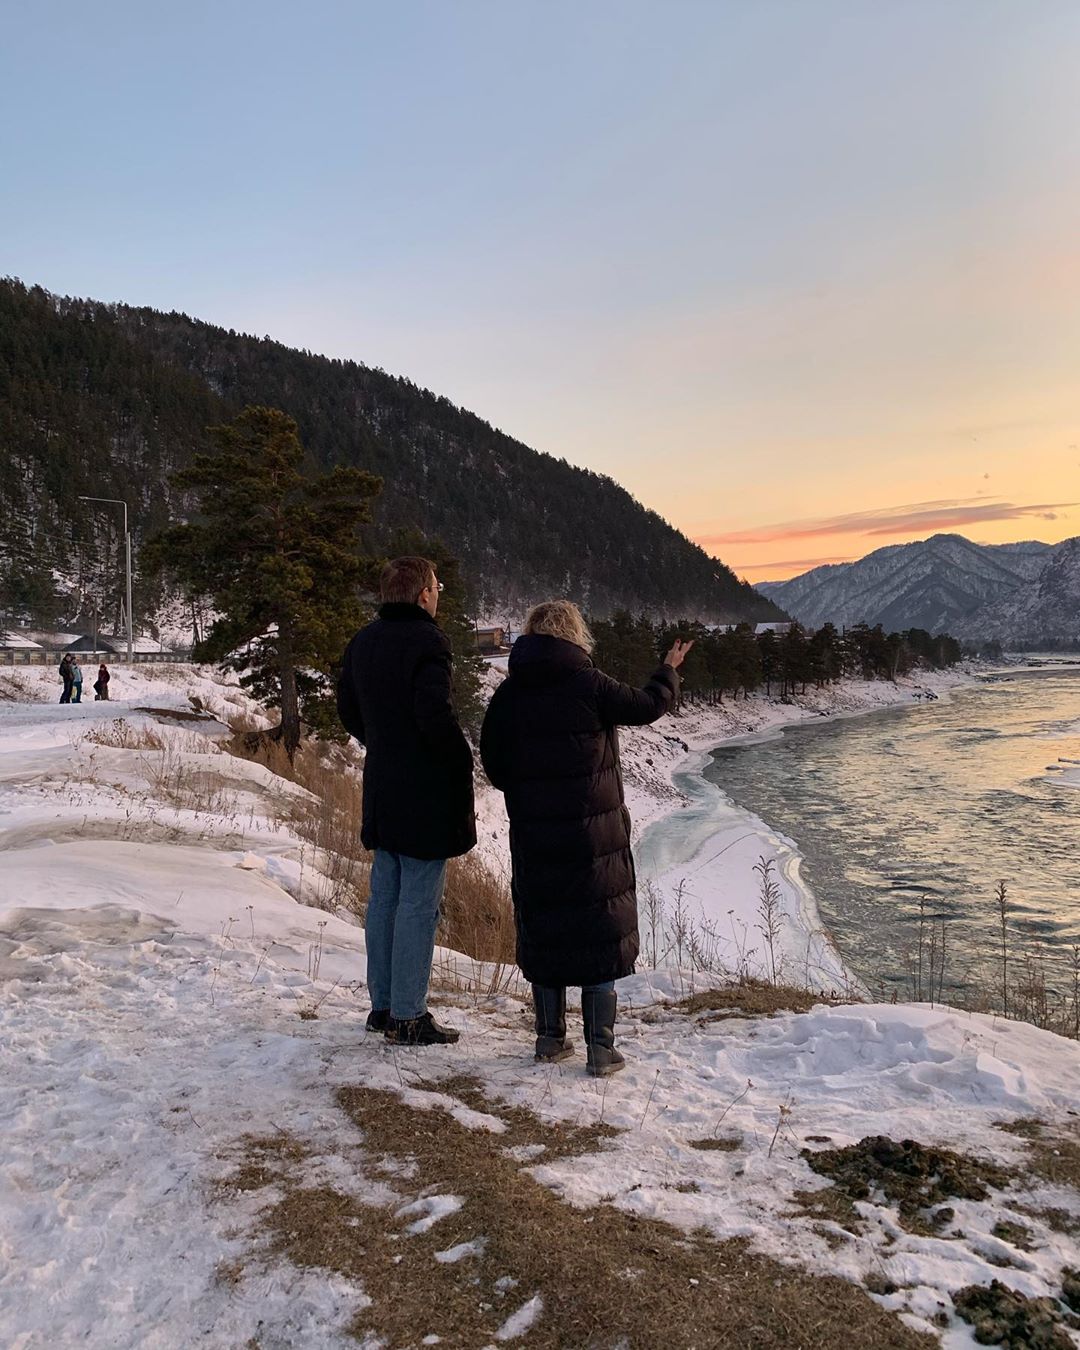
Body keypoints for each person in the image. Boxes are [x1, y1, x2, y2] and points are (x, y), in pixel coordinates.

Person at [480, 601, 691, 1077]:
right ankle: (601, 1049)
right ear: (575, 634)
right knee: (598, 928)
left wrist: (530, 789)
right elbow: (648, 706)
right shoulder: (589, 684)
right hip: (593, 835)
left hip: (535, 833)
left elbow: (493, 764)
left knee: (546, 925)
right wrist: (668, 670)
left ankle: (550, 1040)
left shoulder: (509, 694)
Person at [337, 556, 476, 1047]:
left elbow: (347, 708)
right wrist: (459, 761)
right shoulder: (428, 641)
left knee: (385, 897)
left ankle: (383, 1007)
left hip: (382, 781)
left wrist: (383, 739)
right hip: (424, 788)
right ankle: (410, 1015)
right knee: (419, 903)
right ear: (423, 595)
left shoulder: (363, 640)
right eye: (437, 586)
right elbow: (435, 715)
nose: (439, 593)